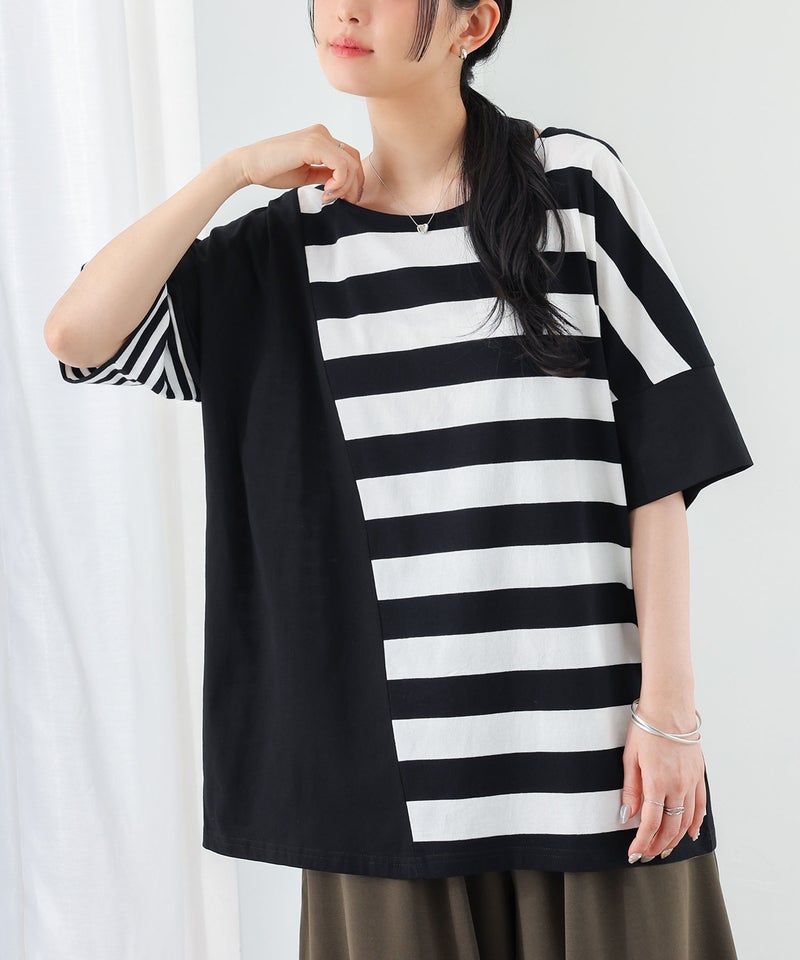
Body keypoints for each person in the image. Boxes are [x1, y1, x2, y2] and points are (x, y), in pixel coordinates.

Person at [45, 1, 753, 957]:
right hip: (384, 791)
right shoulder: (285, 251)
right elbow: (79, 337)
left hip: (595, 760)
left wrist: (669, 716)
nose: (345, 8)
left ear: (472, 24)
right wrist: (231, 173)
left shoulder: (573, 189)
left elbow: (661, 458)